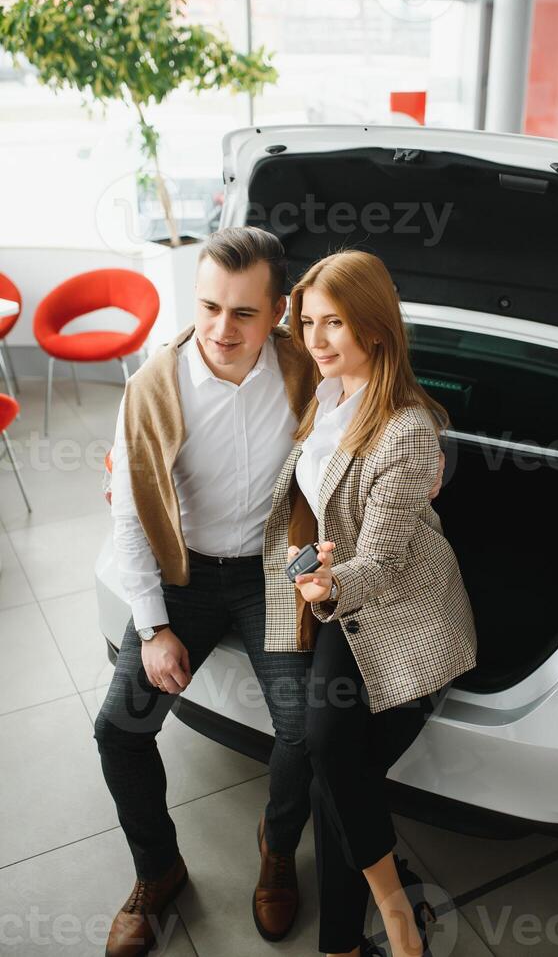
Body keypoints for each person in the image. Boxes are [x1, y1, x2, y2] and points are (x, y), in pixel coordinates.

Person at [93, 225, 446, 956]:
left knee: (302, 733)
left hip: (270, 575)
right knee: (117, 730)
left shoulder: (308, 366)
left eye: (244, 312)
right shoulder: (150, 388)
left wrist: (425, 454)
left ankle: (278, 845)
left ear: (279, 310)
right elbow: (129, 520)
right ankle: (157, 871)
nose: (221, 329)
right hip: (183, 574)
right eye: (209, 307)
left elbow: (385, 395)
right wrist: (155, 628)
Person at [262, 249, 477, 957]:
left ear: (375, 330)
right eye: (309, 322)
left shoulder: (408, 429)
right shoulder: (312, 390)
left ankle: (386, 917)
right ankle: (348, 942)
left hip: (395, 606)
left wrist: (328, 585)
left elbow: (381, 566)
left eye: (336, 324)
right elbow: (225, 342)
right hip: (334, 596)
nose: (316, 339)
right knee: (336, 765)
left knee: (330, 755)